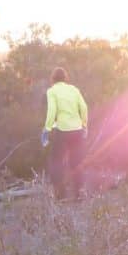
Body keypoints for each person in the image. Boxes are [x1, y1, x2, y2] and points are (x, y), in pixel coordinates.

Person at [41, 67, 88, 200]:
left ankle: (60, 195)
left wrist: (47, 129)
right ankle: (79, 193)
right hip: (77, 130)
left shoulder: (52, 91)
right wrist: (84, 125)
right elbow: (84, 107)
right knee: (76, 162)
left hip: (62, 130)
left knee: (57, 161)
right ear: (66, 78)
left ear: (53, 79)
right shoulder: (74, 89)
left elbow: (52, 111)